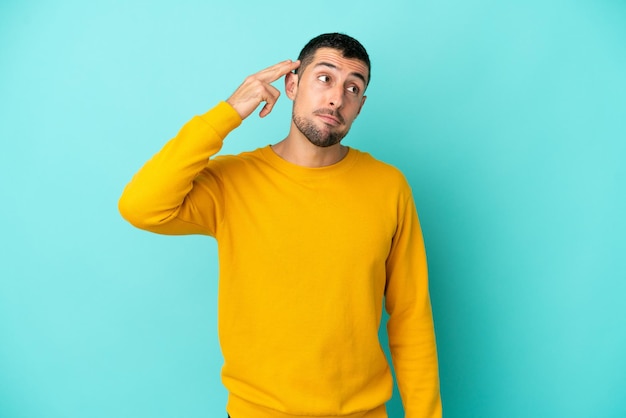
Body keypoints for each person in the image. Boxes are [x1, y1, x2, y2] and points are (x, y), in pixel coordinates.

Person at [119, 33, 442, 418]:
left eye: (352, 88)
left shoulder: (389, 187)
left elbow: (410, 316)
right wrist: (228, 112)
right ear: (292, 84)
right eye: (324, 78)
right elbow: (141, 206)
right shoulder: (233, 182)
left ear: (361, 106)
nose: (336, 98)